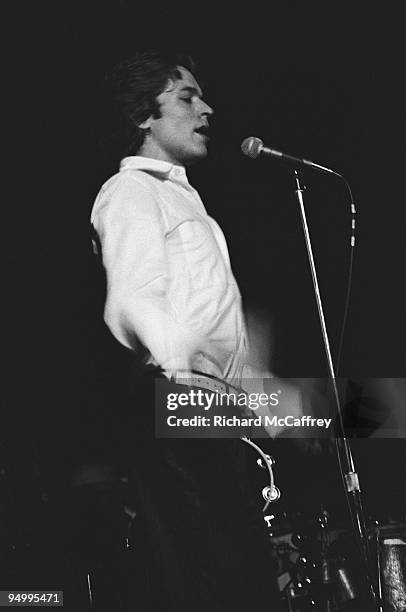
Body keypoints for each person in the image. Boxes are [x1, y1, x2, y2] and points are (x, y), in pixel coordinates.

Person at [91, 50, 285, 611]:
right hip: (180, 399)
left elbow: (214, 317)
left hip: (216, 407)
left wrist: (261, 394)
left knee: (245, 573)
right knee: (210, 574)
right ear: (142, 116)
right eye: (187, 97)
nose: (207, 108)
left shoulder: (186, 200)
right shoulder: (132, 191)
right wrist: (188, 364)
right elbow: (130, 298)